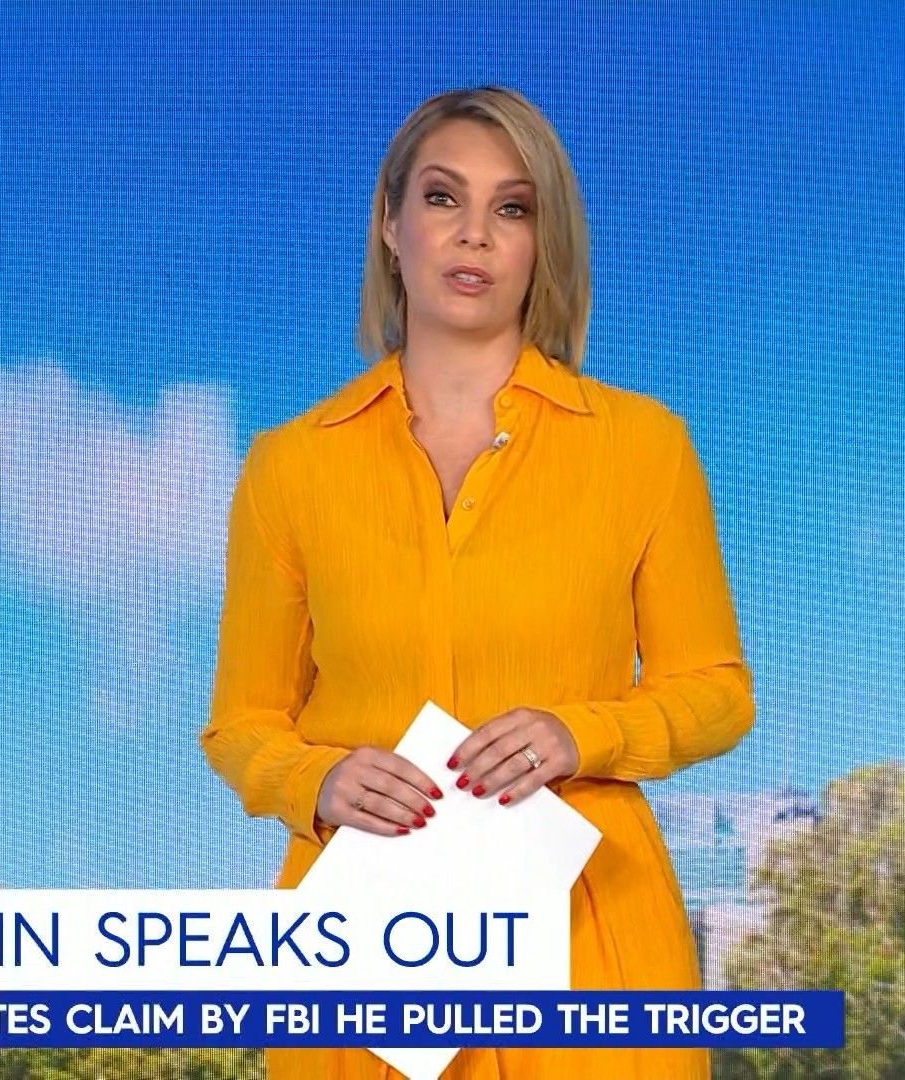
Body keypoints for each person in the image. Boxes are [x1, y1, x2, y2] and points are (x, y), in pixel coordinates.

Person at [200, 85, 756, 1079]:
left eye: (513, 207)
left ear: (543, 242)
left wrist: (582, 733)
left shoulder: (645, 449)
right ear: (390, 225)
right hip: (361, 961)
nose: (475, 234)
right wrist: (313, 781)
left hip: (593, 951)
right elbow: (241, 724)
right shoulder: (288, 467)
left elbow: (717, 692)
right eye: (442, 197)